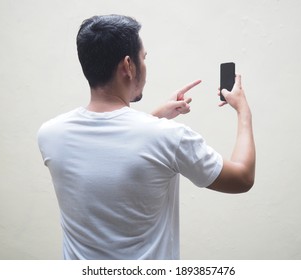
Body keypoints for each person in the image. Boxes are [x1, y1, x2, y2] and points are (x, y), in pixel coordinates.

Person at [37, 14, 255, 260]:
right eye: (143, 58)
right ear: (128, 66)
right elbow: (242, 177)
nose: (145, 65)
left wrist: (154, 118)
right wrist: (243, 111)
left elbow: (112, 152)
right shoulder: (168, 138)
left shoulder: (50, 134)